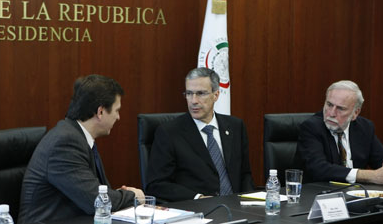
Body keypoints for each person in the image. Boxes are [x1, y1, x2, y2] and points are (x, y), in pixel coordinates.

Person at [18, 74, 144, 224]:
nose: (118, 117)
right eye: (117, 110)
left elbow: (96, 194)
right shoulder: (65, 143)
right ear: (100, 112)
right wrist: (132, 196)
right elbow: (95, 201)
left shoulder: (78, 136)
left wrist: (117, 195)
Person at [146, 67, 254, 201]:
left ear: (216, 95)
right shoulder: (169, 132)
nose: (193, 101)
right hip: (198, 212)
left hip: (238, 208)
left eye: (201, 93)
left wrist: (251, 202)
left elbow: (244, 175)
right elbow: (156, 184)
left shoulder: (235, 126)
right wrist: (198, 198)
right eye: (189, 93)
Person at [297, 80, 383, 184]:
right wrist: (368, 176)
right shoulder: (311, 127)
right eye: (329, 105)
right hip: (320, 194)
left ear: (355, 113)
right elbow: (319, 169)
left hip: (356, 194)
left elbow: (381, 160)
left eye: (340, 108)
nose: (332, 113)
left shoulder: (365, 127)